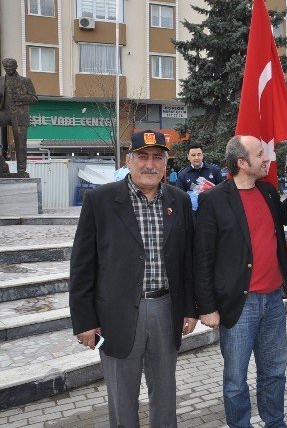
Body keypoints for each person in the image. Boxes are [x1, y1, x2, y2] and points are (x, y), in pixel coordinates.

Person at [69, 130, 197, 427]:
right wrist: (84, 320)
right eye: (142, 157)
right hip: (116, 316)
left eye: (157, 158)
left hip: (166, 310)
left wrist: (190, 308)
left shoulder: (178, 201)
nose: (149, 164)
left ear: (166, 165)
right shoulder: (99, 201)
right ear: (128, 161)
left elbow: (186, 260)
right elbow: (82, 265)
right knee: (122, 399)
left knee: (165, 394)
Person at [194, 135, 287, 428]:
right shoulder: (213, 200)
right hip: (239, 304)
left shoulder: (269, 192)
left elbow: (284, 216)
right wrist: (207, 307)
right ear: (242, 163)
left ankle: (275, 423)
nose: (267, 159)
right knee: (235, 380)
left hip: (273, 300)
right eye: (260, 154)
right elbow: (203, 257)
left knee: (274, 372)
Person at [0, 57, 38, 177]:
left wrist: (20, 98)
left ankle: (21, 170)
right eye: (6, 67)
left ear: (16, 66)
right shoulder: (1, 80)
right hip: (5, 112)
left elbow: (34, 98)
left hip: (19, 114)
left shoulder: (25, 81)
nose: (8, 69)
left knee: (20, 144)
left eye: (10, 67)